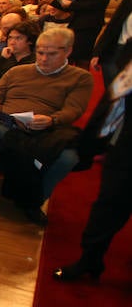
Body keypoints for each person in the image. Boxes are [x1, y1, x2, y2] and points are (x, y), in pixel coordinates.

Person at [0, 27, 93, 224]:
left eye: (51, 54)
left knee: (68, 158)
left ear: (67, 51)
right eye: (40, 52)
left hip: (46, 129)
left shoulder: (79, 77)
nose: (43, 59)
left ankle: (34, 201)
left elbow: (73, 109)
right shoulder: (17, 71)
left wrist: (51, 119)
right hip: (6, 123)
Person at [54, 55, 132, 282]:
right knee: (109, 203)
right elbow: (114, 101)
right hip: (126, 146)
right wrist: (92, 144)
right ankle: (90, 258)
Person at [0, 19, 38, 89]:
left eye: (18, 38)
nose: (12, 42)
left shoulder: (36, 62)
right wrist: (1, 59)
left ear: (30, 41)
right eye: (10, 38)